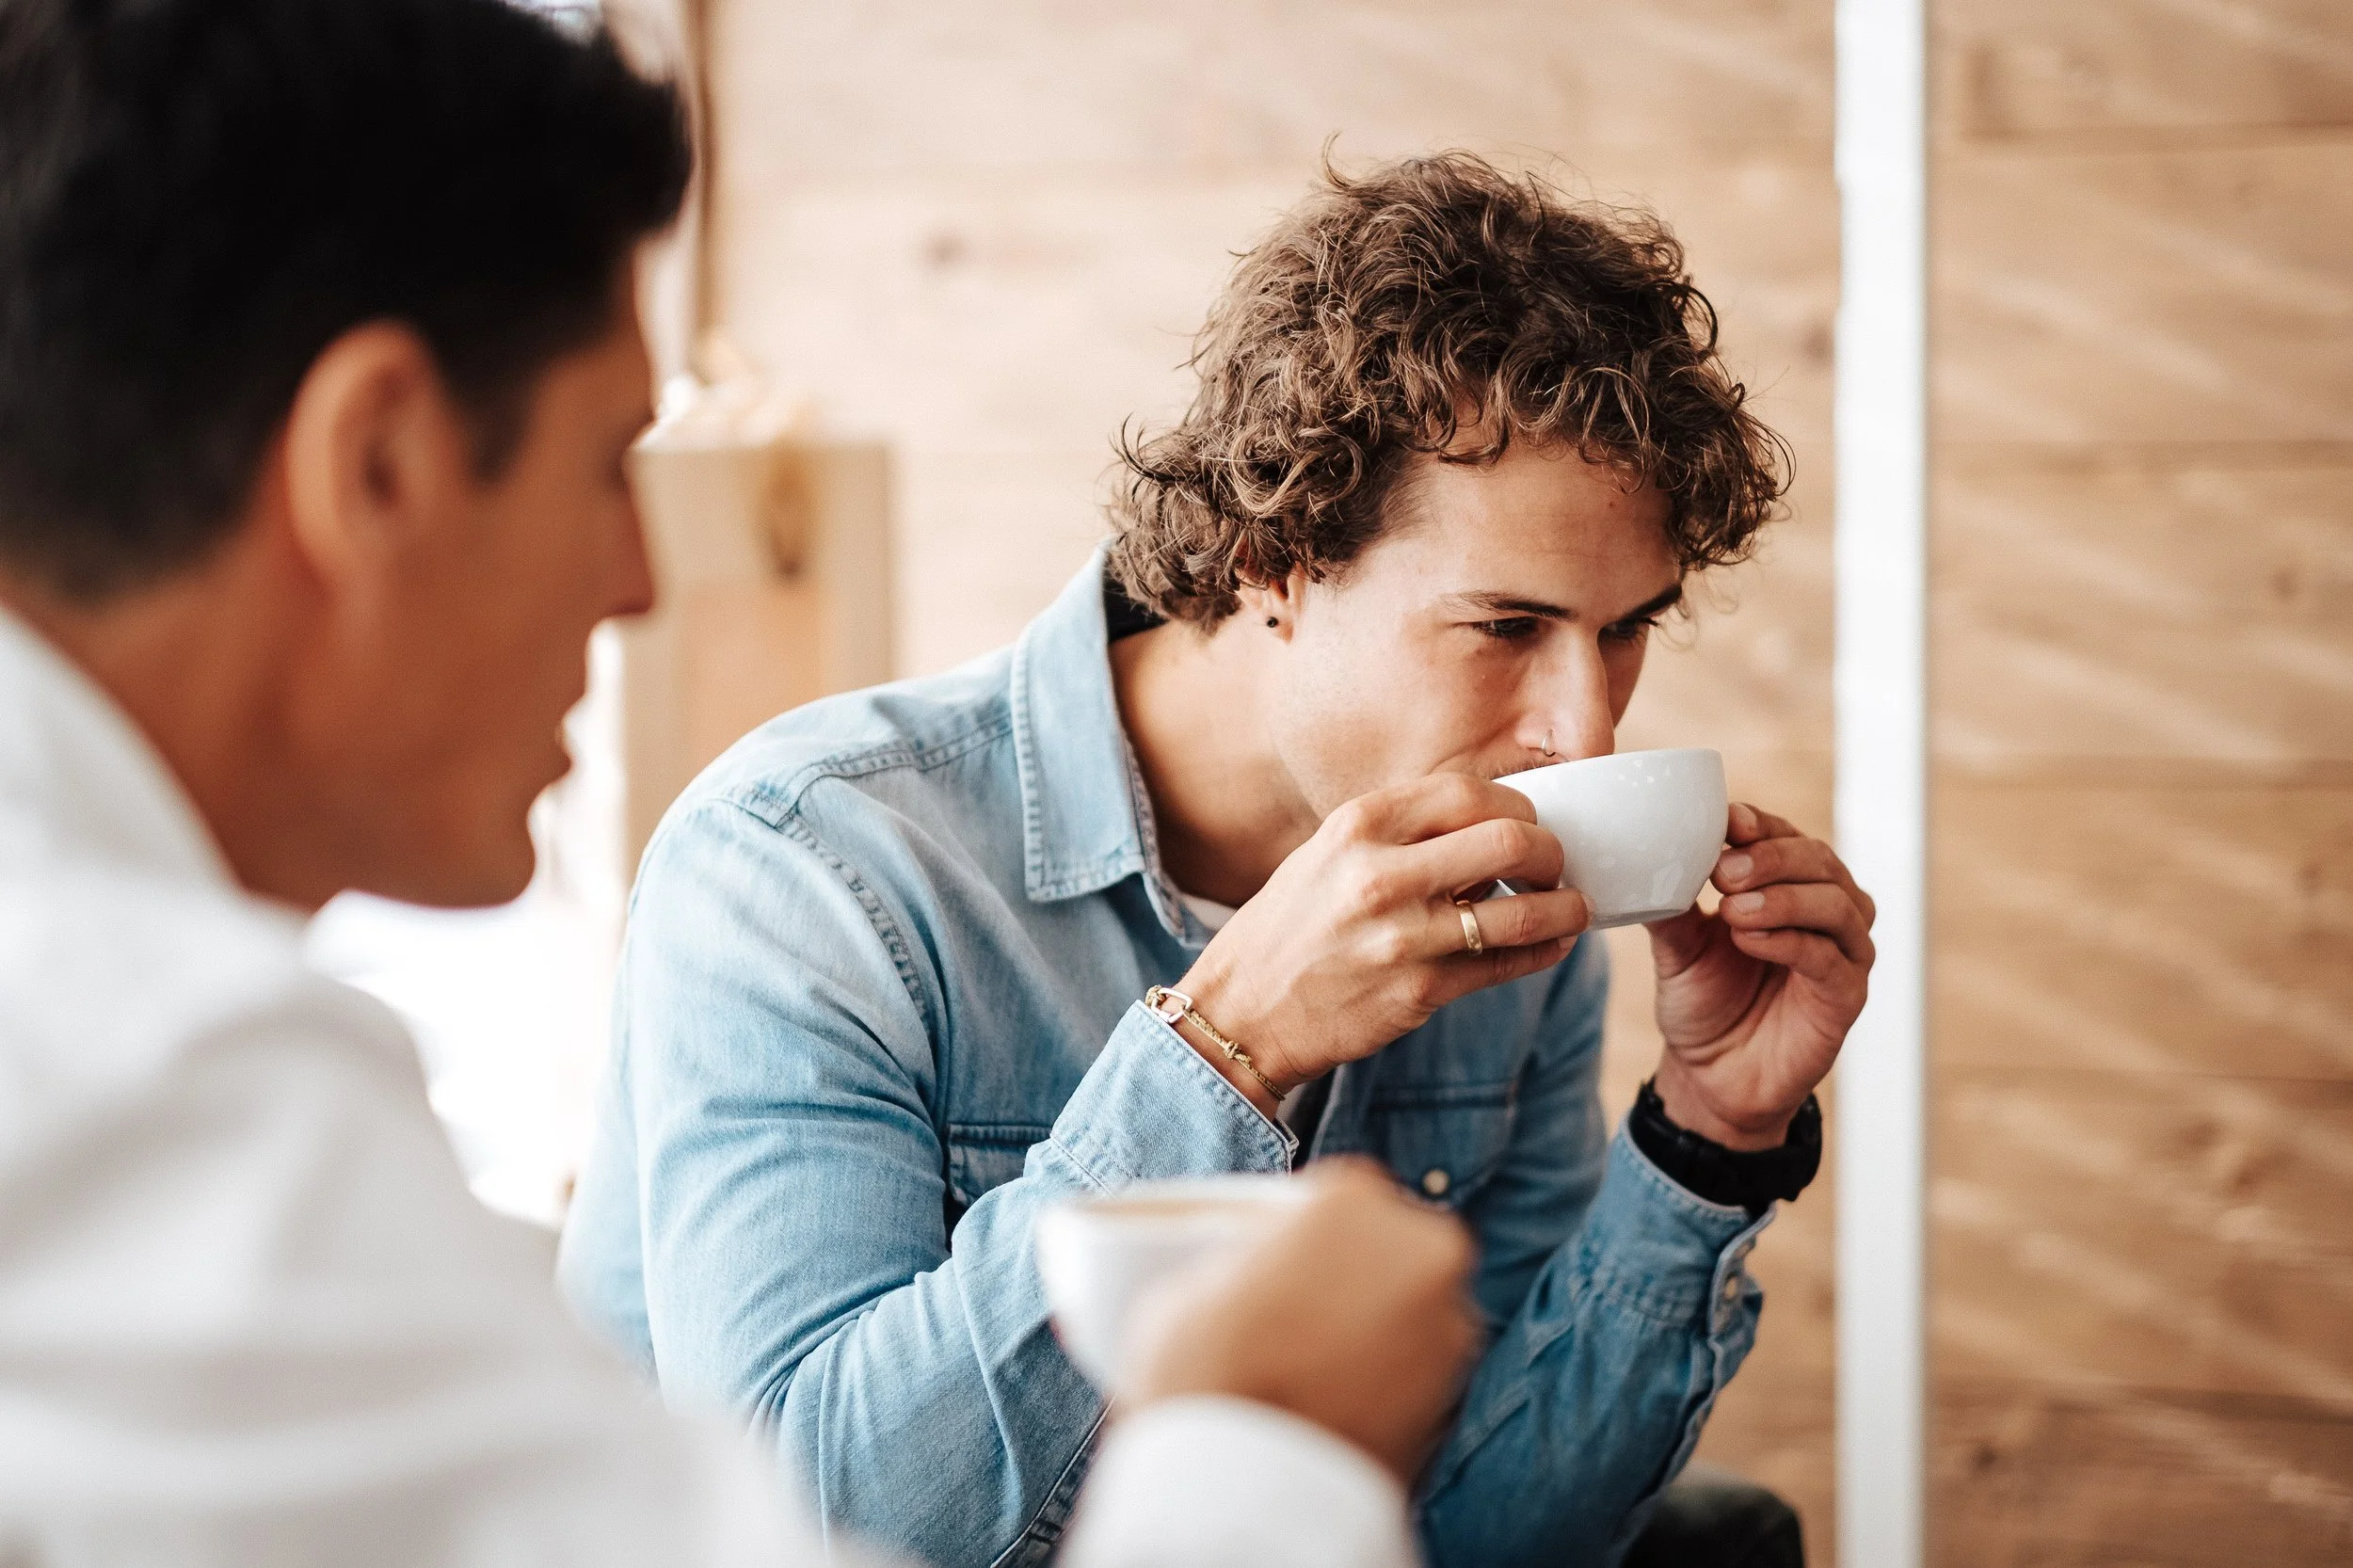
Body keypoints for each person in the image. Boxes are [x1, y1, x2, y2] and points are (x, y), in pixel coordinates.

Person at [0, 1, 1487, 1563]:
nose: (641, 581)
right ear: (376, 465)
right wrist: (1256, 1439)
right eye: (607, 469)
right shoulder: (141, 1084)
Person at [560, 152, 1875, 1568]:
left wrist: (1706, 1141)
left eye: (1626, 630)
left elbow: (1475, 1541)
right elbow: (807, 1523)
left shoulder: (1510, 906)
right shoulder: (811, 868)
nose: (1585, 725)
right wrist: (1225, 1049)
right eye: (1509, 629)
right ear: (1273, 558)